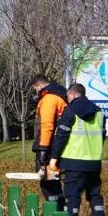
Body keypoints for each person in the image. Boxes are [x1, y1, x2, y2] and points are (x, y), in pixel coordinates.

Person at [49, 82, 107, 216]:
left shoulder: (70, 111)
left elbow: (61, 136)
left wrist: (54, 158)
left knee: (72, 197)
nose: (67, 99)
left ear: (73, 94)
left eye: (68, 96)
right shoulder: (100, 112)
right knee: (95, 196)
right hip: (94, 162)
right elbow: (102, 136)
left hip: (73, 162)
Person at [31, 76, 68, 204]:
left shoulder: (48, 99)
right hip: (58, 145)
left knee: (48, 181)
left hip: (49, 146)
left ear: (39, 86)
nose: (36, 93)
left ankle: (55, 213)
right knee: (54, 181)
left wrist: (43, 149)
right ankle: (60, 211)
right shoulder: (60, 95)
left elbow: (47, 125)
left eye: (35, 90)